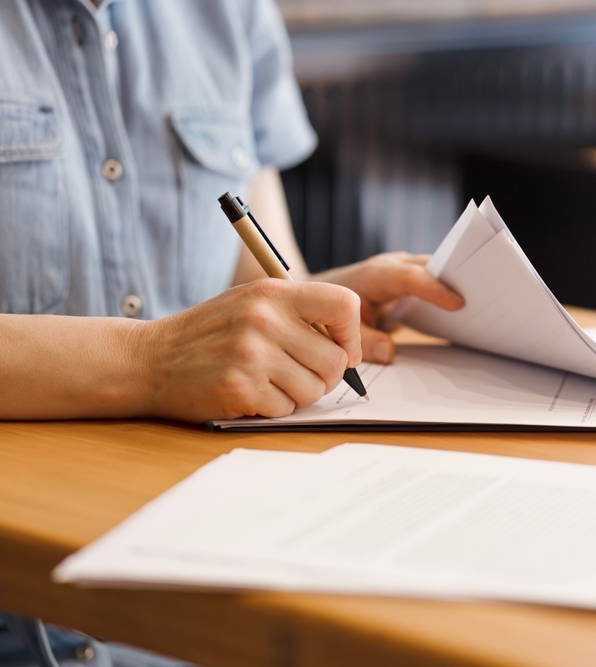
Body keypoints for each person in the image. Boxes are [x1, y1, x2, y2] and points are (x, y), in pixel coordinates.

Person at [0, 0, 462, 664]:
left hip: (204, 572)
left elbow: (260, 268)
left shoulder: (228, 11)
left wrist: (315, 307)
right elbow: (176, 351)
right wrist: (153, 361)